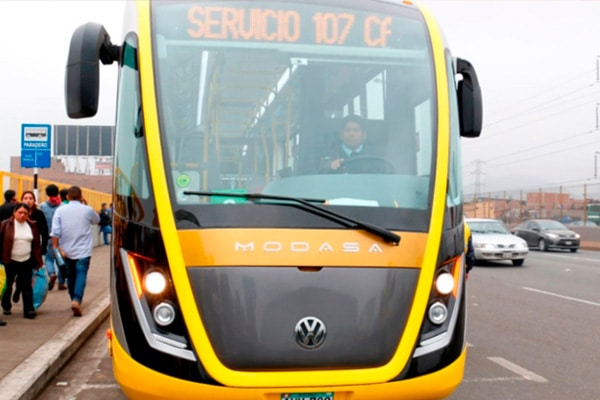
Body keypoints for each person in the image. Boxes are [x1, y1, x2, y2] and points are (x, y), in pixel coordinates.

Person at [50, 186, 100, 317]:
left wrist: (55, 247)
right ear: (81, 196)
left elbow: (55, 231)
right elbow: (97, 220)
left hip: (66, 250)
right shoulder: (87, 210)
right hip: (83, 250)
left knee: (70, 276)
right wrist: (86, 204)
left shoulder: (60, 210)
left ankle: (73, 298)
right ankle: (77, 300)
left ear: (67, 197)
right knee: (81, 274)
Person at [0, 202, 44, 319]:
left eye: (25, 213)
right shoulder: (5, 224)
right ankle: (6, 305)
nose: (22, 215)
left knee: (27, 286)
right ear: (14, 213)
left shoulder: (32, 226)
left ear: (28, 214)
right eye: (20, 212)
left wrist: (39, 261)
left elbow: (36, 245)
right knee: (8, 285)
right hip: (9, 260)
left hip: (26, 260)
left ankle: (28, 310)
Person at [11, 191, 50, 303]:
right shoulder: (17, 213)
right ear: (22, 200)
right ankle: (18, 289)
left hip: (33, 251)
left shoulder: (39, 214)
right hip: (17, 250)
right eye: (25, 198)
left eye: (30, 198)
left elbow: (45, 232)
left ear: (34, 201)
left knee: (28, 275)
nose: (28, 200)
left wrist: (43, 249)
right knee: (18, 274)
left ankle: (27, 301)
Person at [39, 184, 65, 290]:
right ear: (58, 192)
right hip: (60, 237)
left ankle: (51, 273)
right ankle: (61, 283)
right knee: (60, 259)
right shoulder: (63, 206)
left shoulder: (42, 206)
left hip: (47, 236)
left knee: (48, 257)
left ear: (47, 194)